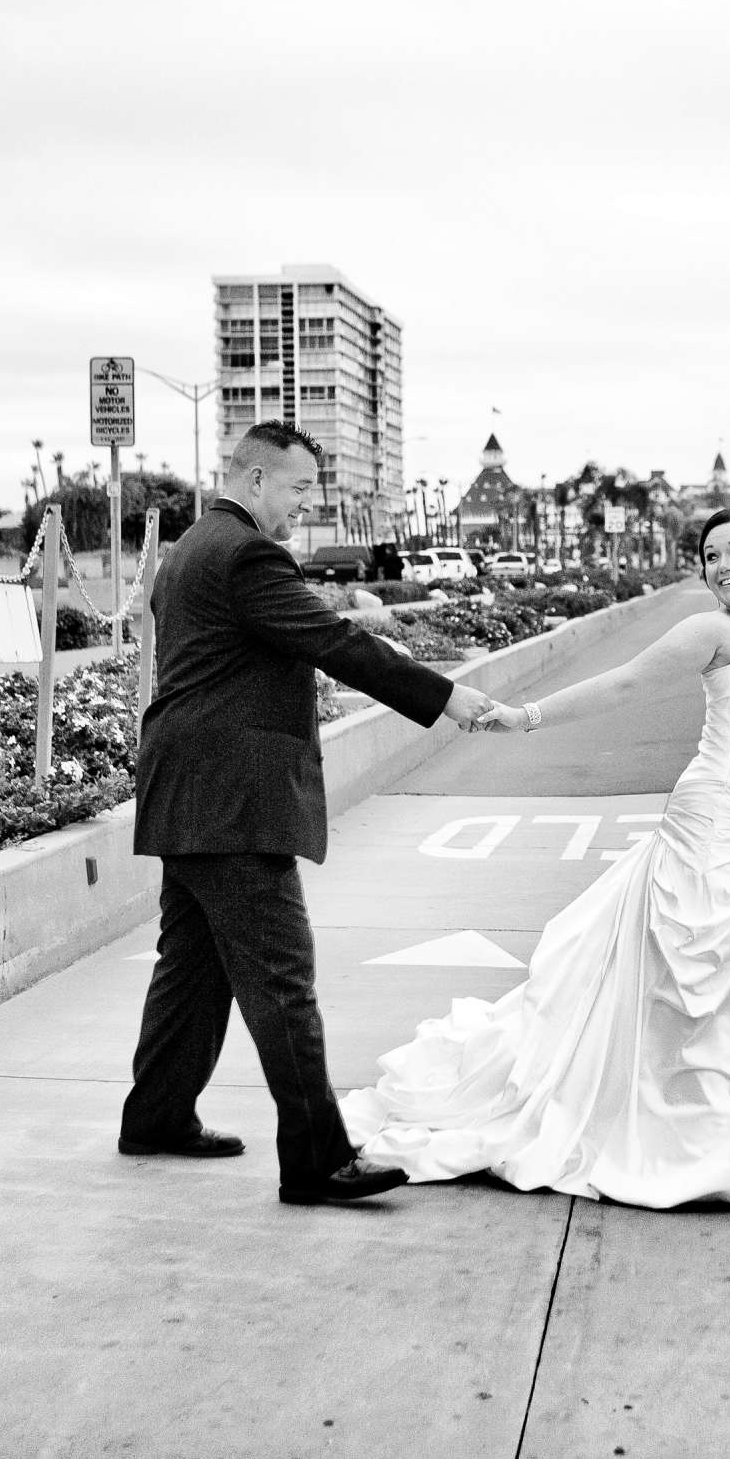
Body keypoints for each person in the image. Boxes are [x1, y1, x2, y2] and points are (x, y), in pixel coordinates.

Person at [338, 506, 730, 1210]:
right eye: (709, 555)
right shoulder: (710, 630)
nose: (722, 566)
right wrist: (528, 716)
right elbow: (627, 681)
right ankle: (703, 1128)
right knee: (727, 975)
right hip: (719, 826)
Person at [121, 420, 501, 1206]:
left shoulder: (192, 547)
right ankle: (318, 1158)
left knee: (191, 971)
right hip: (234, 801)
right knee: (280, 980)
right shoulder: (247, 554)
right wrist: (447, 696)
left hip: (188, 790)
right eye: (296, 489)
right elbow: (333, 642)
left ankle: (156, 1116)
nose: (302, 505)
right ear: (254, 480)